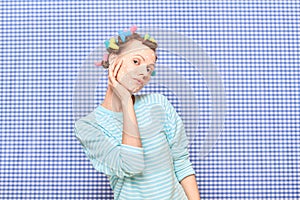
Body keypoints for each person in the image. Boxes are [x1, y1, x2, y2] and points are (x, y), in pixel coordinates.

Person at [74, 26, 201, 200]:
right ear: (113, 60)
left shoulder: (158, 103)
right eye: (136, 61)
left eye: (149, 68)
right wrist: (126, 102)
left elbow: (181, 162)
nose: (143, 73)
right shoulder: (88, 126)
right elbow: (132, 166)